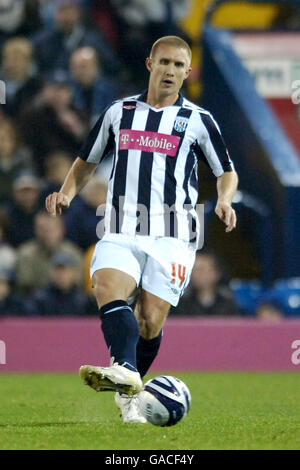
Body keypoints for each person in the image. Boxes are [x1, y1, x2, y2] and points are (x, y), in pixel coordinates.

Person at [45, 36, 238, 423]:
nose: (170, 70)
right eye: (164, 62)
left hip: (174, 233)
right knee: (106, 287)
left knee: (150, 319)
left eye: (179, 65)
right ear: (150, 64)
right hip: (120, 225)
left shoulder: (199, 121)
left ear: (187, 72)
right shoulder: (119, 112)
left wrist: (224, 199)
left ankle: (130, 386)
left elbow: (226, 170)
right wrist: (67, 191)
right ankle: (125, 372)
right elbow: (87, 158)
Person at [171, 251, 241, 317]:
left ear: (216, 273)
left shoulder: (228, 302)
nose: (195, 274)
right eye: (193, 270)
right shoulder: (181, 303)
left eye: (201, 270)